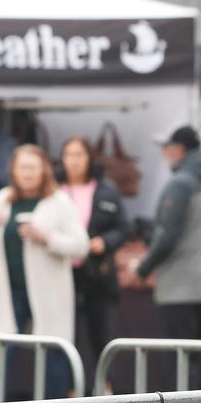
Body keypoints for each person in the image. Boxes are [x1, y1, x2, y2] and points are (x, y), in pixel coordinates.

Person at [0, 145, 89, 399]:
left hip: (48, 292)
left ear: (44, 171)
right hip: (8, 291)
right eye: (22, 168)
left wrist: (46, 237)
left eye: (32, 168)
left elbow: (81, 246)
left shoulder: (59, 201)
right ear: (13, 171)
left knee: (52, 350)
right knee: (2, 349)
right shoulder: (3, 199)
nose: (27, 174)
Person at [135, 126, 201, 403]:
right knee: (197, 357)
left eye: (166, 147)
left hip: (179, 287)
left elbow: (167, 236)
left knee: (177, 358)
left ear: (179, 149)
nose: (163, 153)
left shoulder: (180, 184)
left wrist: (143, 267)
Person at [58, 136, 131, 389]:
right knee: (67, 337)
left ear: (89, 158)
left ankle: (105, 391)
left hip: (97, 274)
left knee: (101, 335)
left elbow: (124, 228)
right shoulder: (55, 189)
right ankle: (69, 394)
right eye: (69, 155)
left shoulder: (105, 189)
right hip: (63, 273)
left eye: (79, 155)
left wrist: (105, 241)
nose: (74, 161)